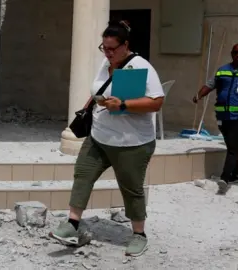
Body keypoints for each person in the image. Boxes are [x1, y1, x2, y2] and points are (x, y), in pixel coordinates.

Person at [49, 20, 164, 257]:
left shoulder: (141, 67)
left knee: (131, 189)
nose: (108, 53)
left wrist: (123, 104)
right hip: (99, 137)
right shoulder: (106, 64)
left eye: (112, 48)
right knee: (82, 175)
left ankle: (139, 235)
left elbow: (157, 101)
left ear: (125, 45)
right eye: (104, 48)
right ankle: (72, 224)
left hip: (131, 142)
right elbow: (98, 92)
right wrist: (86, 110)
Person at [193, 43, 238, 193]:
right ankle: (236, 174)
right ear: (231, 54)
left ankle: (225, 178)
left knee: (233, 147)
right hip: (223, 116)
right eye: (235, 52)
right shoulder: (222, 71)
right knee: (232, 146)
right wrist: (199, 95)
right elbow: (210, 85)